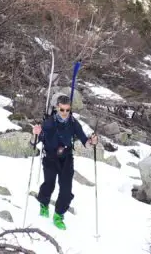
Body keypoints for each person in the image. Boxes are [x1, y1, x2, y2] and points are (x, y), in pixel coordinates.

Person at [32, 95, 98, 230]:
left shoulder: (73, 123)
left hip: (67, 159)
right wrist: (35, 133)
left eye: (67, 110)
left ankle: (58, 215)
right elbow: (34, 142)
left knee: (66, 190)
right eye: (62, 110)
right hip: (50, 157)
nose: (65, 113)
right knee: (49, 185)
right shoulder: (48, 123)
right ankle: (44, 204)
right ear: (57, 108)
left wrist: (92, 142)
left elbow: (85, 141)